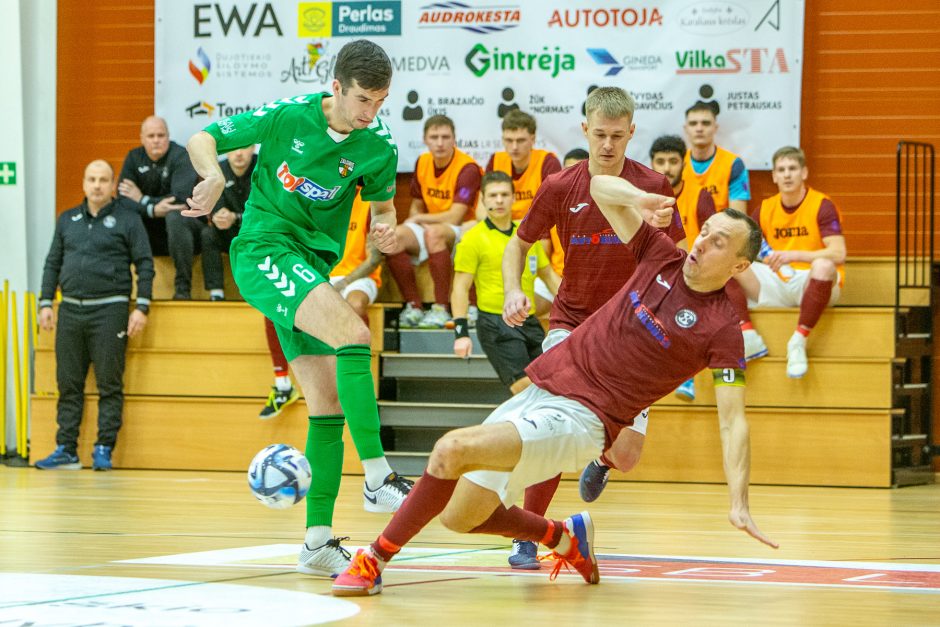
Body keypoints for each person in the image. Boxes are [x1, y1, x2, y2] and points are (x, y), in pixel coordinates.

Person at [331, 177, 777, 597]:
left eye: (719, 242)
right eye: (705, 232)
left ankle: (373, 560)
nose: (702, 242)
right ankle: (560, 536)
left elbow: (733, 421)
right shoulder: (661, 255)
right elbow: (599, 187)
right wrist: (637, 200)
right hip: (545, 385)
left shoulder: (722, 329)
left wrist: (739, 502)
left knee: (450, 450)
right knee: (460, 517)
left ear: (740, 264)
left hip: (586, 420)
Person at [183, 39, 413, 578]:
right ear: (336, 88)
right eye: (362, 100)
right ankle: (378, 477)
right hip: (264, 250)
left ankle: (314, 543)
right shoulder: (288, 116)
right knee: (354, 336)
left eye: (380, 102)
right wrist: (213, 175)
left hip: (313, 267)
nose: (370, 113)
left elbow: (383, 206)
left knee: (327, 405)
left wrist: (387, 226)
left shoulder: (378, 144)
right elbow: (201, 137)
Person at [499, 87, 684, 570]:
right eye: (599, 134)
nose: (607, 145)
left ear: (631, 133)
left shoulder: (653, 188)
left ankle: (600, 460)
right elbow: (517, 245)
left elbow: (676, 266)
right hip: (572, 324)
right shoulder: (561, 186)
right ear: (585, 129)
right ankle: (528, 535)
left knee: (627, 455)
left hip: (632, 333)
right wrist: (512, 291)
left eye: (617, 136)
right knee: (552, 429)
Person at [34, 160, 154, 471]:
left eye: (103, 179)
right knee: (68, 384)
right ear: (84, 183)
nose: (97, 185)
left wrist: (141, 306)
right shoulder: (67, 219)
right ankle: (66, 449)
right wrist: (46, 302)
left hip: (110, 311)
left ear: (113, 184)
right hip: (70, 310)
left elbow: (145, 264)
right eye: (92, 179)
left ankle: (104, 448)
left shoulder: (128, 220)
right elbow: (52, 263)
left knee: (109, 384)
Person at [735, 146, 846, 378]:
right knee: (729, 263)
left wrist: (794, 255)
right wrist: (763, 257)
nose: (787, 175)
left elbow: (838, 253)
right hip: (778, 280)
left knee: (824, 265)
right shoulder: (765, 208)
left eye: (792, 169)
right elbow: (746, 246)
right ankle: (748, 335)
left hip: (812, 281)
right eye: (781, 169)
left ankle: (798, 341)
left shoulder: (822, 205)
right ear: (774, 175)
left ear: (804, 173)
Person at [451, 171, 558, 395]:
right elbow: (460, 288)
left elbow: (549, 276)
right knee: (525, 389)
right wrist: (461, 333)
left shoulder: (527, 234)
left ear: (513, 198)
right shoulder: (473, 238)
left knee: (551, 384)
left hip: (529, 321)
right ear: (482, 199)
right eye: (492, 195)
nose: (499, 200)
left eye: (504, 194)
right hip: (495, 323)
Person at [384, 115, 482, 329]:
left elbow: (456, 215)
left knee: (434, 234)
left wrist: (419, 219)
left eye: (445, 137)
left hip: (463, 228)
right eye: (434, 137)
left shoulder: (468, 168)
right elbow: (416, 205)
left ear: (454, 139)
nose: (440, 142)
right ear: (425, 140)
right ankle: (414, 305)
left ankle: (440, 308)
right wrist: (415, 223)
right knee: (393, 238)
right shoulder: (423, 162)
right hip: (432, 225)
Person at [485, 110, 561, 318]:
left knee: (540, 243)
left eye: (520, 140)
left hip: (537, 232)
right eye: (509, 140)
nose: (514, 147)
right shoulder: (496, 160)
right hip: (505, 226)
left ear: (533, 139)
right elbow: (482, 206)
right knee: (473, 234)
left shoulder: (548, 162)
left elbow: (551, 211)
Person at [117, 116, 200, 299]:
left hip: (183, 233)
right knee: (122, 218)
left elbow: (178, 199)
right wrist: (151, 209)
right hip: (147, 232)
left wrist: (142, 199)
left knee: (175, 216)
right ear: (142, 138)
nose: (156, 140)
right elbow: (122, 198)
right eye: (151, 136)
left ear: (168, 136)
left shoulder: (181, 155)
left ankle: (182, 289)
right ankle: (122, 289)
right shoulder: (133, 157)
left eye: (160, 135)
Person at [199, 146, 256, 301]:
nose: (238, 153)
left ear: (253, 148)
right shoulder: (217, 171)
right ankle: (216, 292)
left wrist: (236, 218)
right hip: (229, 231)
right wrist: (218, 216)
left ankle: (255, 292)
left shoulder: (263, 168)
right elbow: (213, 205)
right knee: (208, 234)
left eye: (244, 147)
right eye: (234, 148)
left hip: (256, 231)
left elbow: (268, 213)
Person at [682, 101, 750, 213]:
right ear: (686, 129)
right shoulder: (676, 164)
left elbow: (738, 218)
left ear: (715, 127)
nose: (699, 128)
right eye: (693, 123)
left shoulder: (733, 164)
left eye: (706, 123)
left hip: (721, 229)